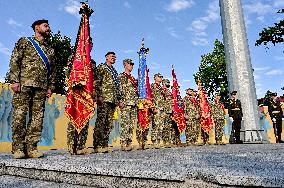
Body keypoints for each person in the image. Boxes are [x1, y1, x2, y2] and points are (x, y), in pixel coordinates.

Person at [8, 19, 55, 159]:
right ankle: (18, 148)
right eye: (45, 26)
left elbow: (53, 71)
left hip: (41, 87)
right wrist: (15, 80)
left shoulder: (50, 49)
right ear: (36, 27)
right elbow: (15, 60)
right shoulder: (25, 42)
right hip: (24, 84)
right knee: (19, 116)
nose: (48, 28)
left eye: (48, 26)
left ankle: (32, 148)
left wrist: (50, 87)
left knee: (37, 118)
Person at [66, 38, 96, 155]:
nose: (89, 46)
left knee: (85, 118)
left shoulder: (91, 62)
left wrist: (94, 95)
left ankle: (80, 146)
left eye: (90, 44)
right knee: (73, 117)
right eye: (87, 43)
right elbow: (68, 72)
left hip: (87, 94)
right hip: (75, 92)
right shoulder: (74, 57)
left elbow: (94, 81)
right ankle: (71, 146)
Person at [93, 52, 123, 153]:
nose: (114, 58)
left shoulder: (114, 71)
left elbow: (117, 87)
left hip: (113, 100)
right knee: (101, 122)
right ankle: (97, 145)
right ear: (106, 57)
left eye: (115, 57)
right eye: (112, 56)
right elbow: (97, 81)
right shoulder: (102, 67)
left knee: (109, 124)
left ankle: (104, 144)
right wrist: (98, 95)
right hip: (104, 98)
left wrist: (119, 100)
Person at [118, 59, 138, 151]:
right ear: (125, 65)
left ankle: (129, 143)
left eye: (132, 64)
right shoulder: (121, 76)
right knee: (125, 124)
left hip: (134, 104)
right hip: (125, 103)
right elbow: (118, 90)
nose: (131, 66)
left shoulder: (134, 79)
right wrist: (120, 101)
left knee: (131, 124)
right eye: (130, 64)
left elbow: (137, 92)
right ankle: (123, 143)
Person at [150, 73, 166, 149]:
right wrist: (153, 108)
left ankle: (159, 141)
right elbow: (151, 97)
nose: (161, 78)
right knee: (156, 125)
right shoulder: (153, 86)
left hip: (162, 108)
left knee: (161, 126)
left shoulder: (161, 88)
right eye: (159, 77)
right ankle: (154, 141)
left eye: (161, 77)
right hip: (156, 108)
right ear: (155, 77)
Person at [162, 79, 174, 147]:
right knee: (165, 126)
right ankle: (165, 141)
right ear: (164, 83)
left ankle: (168, 141)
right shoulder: (163, 90)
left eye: (169, 82)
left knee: (169, 126)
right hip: (165, 110)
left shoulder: (168, 91)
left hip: (170, 110)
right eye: (167, 82)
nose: (169, 83)